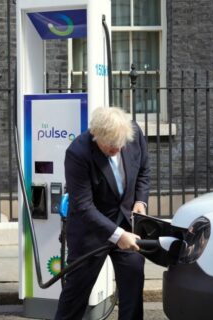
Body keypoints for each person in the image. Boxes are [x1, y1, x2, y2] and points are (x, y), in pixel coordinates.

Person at [55, 107, 150, 320]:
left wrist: (140, 201)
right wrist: (117, 235)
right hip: (90, 232)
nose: (117, 149)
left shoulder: (132, 133)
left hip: (126, 223)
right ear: (96, 135)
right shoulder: (77, 153)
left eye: (121, 144)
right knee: (75, 296)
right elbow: (83, 206)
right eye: (111, 146)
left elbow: (144, 170)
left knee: (133, 286)